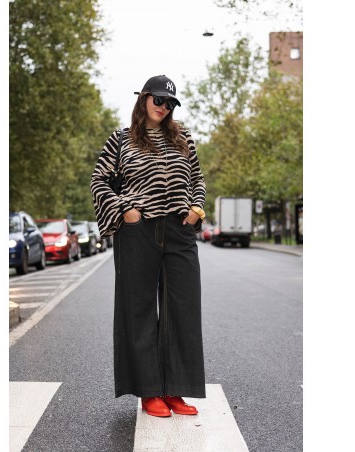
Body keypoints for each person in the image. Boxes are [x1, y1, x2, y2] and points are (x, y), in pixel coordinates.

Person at [90, 75, 206, 417]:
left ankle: (174, 389)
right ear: (143, 98)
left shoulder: (183, 137)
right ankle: (149, 391)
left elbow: (197, 179)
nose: (163, 107)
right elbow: (99, 181)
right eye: (158, 99)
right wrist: (124, 210)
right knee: (138, 309)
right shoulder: (121, 139)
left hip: (179, 230)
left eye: (170, 103)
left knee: (183, 309)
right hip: (138, 230)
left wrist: (196, 209)